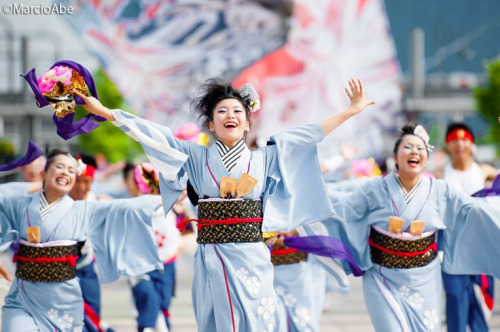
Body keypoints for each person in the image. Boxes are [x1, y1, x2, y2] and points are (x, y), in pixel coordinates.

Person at [74, 78, 374, 331]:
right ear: (211, 125)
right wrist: (107, 113)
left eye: (237, 111)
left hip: (253, 255)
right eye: (222, 111)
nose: (230, 114)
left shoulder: (265, 156)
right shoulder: (193, 155)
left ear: (247, 123)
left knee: (260, 320)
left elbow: (308, 134)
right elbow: (152, 133)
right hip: (213, 256)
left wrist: (350, 111)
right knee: (219, 322)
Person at [297, 123, 500, 332]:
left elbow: (474, 209)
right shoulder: (375, 188)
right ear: (395, 157)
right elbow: (342, 207)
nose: (415, 152)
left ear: (426, 159)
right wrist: (298, 220)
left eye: (420, 148)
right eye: (408, 147)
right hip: (382, 277)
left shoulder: (441, 190)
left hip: (424, 280)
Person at [0, 149, 164, 331]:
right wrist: (37, 185)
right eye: (59, 167)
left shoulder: (84, 208)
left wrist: (163, 198)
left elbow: (122, 208)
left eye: (71, 170)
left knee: (93, 321)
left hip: (66, 291)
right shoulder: (21, 204)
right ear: (44, 173)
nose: (65, 172)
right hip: (24, 296)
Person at [441, 122, 498, 332]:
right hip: (453, 248)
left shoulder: (484, 171)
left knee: (480, 305)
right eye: (454, 140)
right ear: (448, 145)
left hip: (482, 248)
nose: (460, 144)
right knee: (455, 297)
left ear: (472, 143)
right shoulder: (440, 175)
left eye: (464, 139)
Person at [124, 162, 180, 332]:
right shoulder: (131, 209)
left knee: (163, 305)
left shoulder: (173, 207)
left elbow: (185, 234)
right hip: (142, 267)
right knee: (148, 300)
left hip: (167, 264)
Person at [69, 154, 114, 332]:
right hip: (61, 268)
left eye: (86, 182)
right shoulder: (60, 202)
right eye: (77, 181)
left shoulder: (98, 202)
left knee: (93, 312)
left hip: (88, 266)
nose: (81, 187)